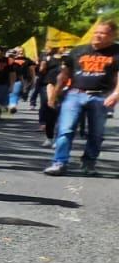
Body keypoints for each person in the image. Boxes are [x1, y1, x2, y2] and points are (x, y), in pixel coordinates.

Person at [43, 20, 119, 176]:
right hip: (75, 94)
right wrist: (54, 94)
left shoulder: (117, 52)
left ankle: (89, 163)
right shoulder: (78, 51)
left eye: (102, 33)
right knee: (65, 129)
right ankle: (59, 163)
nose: (97, 35)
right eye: (96, 32)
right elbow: (64, 75)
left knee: (96, 133)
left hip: (101, 96)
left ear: (112, 36)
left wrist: (116, 94)